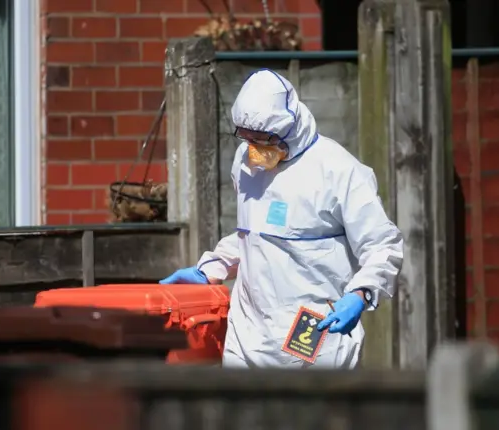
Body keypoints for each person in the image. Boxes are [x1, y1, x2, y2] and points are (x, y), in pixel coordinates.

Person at [160, 69, 403, 369]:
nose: (254, 149)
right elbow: (253, 233)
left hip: (313, 336)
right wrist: (212, 267)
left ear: (289, 128)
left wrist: (361, 293)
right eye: (246, 137)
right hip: (247, 335)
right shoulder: (245, 162)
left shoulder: (339, 171)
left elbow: (383, 246)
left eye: (263, 139)